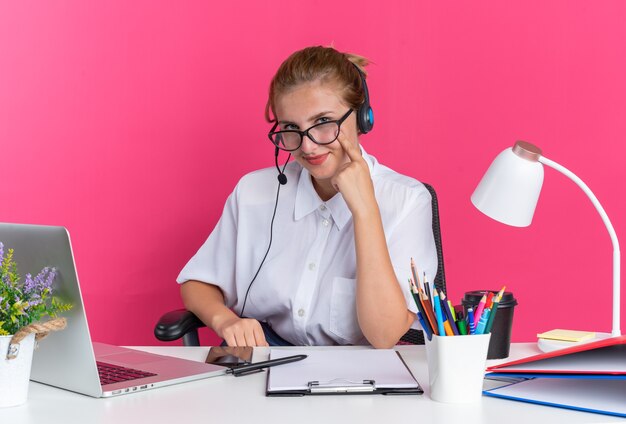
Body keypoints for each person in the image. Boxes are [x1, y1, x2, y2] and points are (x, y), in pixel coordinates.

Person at [177, 46, 437, 348]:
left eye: (324, 122)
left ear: (363, 117)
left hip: (355, 372)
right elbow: (198, 282)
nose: (308, 147)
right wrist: (225, 320)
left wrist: (365, 210)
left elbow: (383, 335)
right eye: (291, 128)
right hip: (265, 360)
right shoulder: (253, 192)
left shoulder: (407, 201)